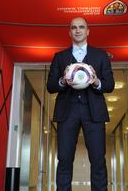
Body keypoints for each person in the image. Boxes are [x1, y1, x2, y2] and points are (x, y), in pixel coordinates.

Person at [47, 17, 115, 191]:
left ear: (88, 31)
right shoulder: (60, 56)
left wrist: (96, 81)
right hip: (66, 111)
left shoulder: (101, 55)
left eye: (81, 27)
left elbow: (109, 85)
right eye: (74, 27)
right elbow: (50, 86)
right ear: (69, 32)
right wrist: (63, 80)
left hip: (93, 112)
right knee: (64, 159)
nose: (78, 30)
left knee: (98, 159)